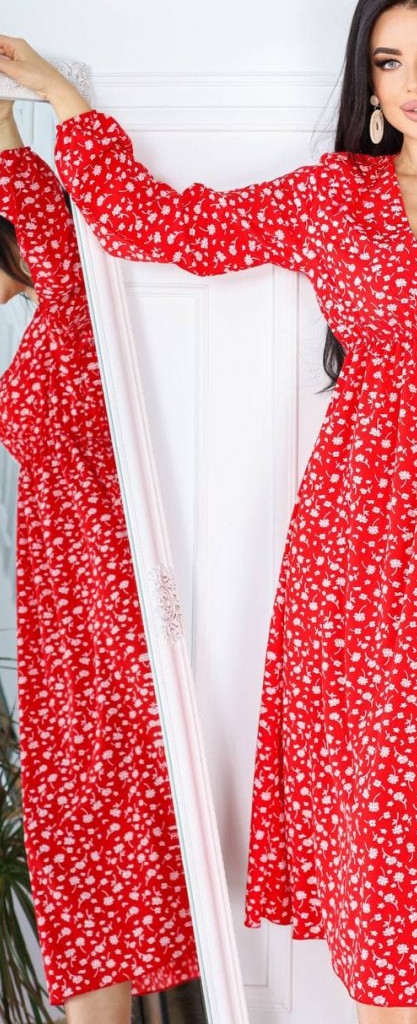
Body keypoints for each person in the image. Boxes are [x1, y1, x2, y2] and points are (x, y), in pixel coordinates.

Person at [0, 0, 417, 1024]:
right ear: (368, 83)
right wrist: (68, 107)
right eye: (389, 63)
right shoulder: (333, 196)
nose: (414, 82)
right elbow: (169, 228)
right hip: (365, 542)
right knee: (380, 818)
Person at [0, 99, 200, 1024]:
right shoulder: (49, 320)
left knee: (113, 809)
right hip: (57, 602)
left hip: (103, 590)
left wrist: (12, 112)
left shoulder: (78, 305)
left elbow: (42, 210)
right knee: (77, 821)